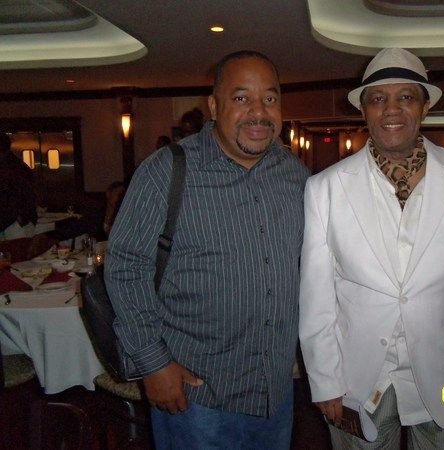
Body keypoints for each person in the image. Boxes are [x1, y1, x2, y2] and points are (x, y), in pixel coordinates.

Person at [299, 48, 444, 449]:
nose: (391, 109)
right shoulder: (325, 188)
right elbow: (316, 296)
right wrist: (325, 380)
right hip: (357, 376)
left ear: (425, 106)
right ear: (364, 110)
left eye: (406, 97)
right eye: (378, 98)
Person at [105, 50, 309, 449]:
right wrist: (153, 363)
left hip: (276, 393)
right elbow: (126, 266)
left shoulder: (296, 177)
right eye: (241, 98)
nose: (258, 112)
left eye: (269, 98)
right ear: (214, 106)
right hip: (197, 397)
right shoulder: (166, 170)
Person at [0, 132, 38, 240]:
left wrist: (20, 217)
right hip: (17, 222)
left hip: (12, 224)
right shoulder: (18, 165)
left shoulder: (8, 169)